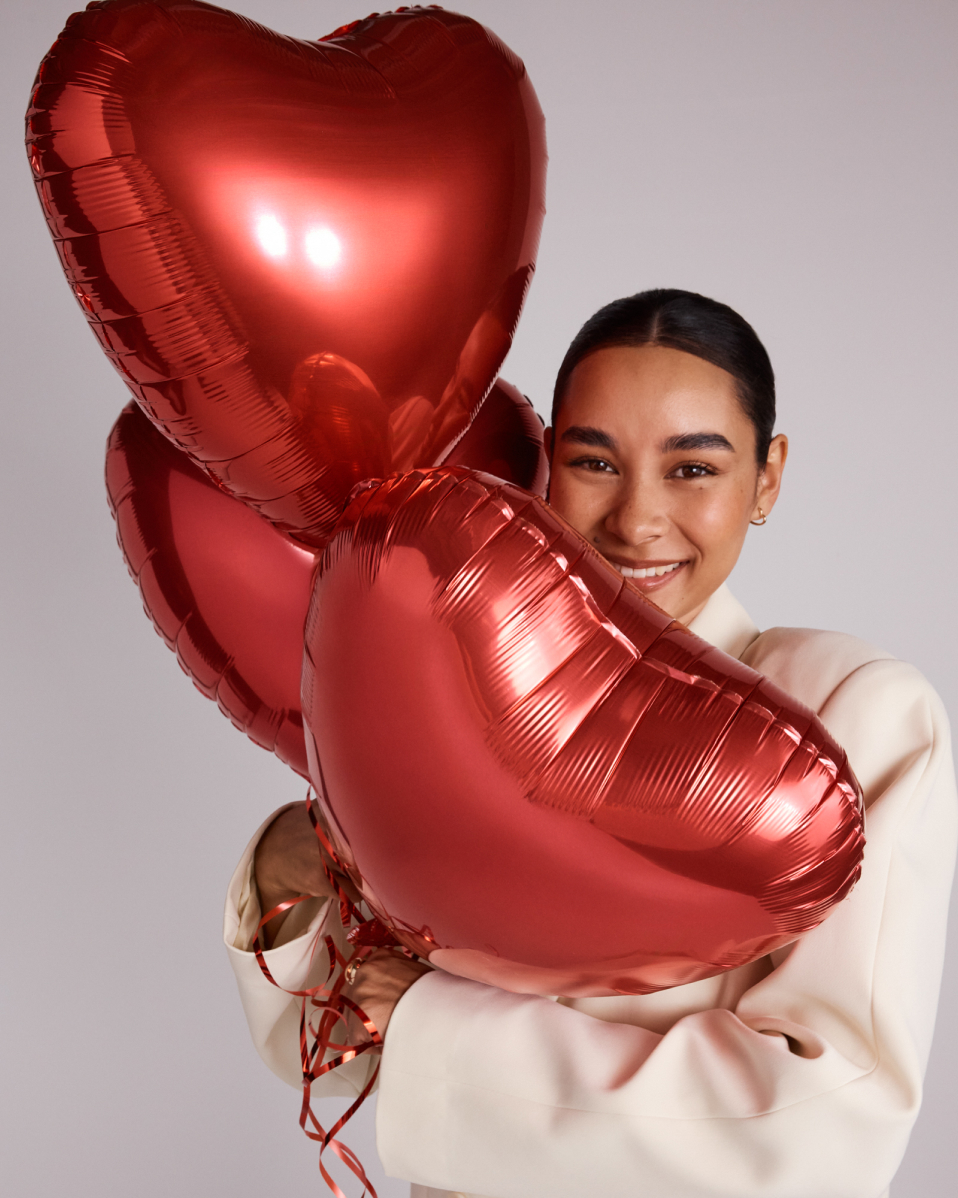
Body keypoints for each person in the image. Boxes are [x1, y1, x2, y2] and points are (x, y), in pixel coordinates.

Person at [224, 289, 956, 1198]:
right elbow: (338, 1063)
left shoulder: (855, 713)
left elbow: (828, 1125)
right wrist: (290, 873)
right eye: (594, 461)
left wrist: (435, 1028)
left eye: (693, 469)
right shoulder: (452, 684)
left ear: (767, 478)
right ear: (544, 470)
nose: (636, 521)